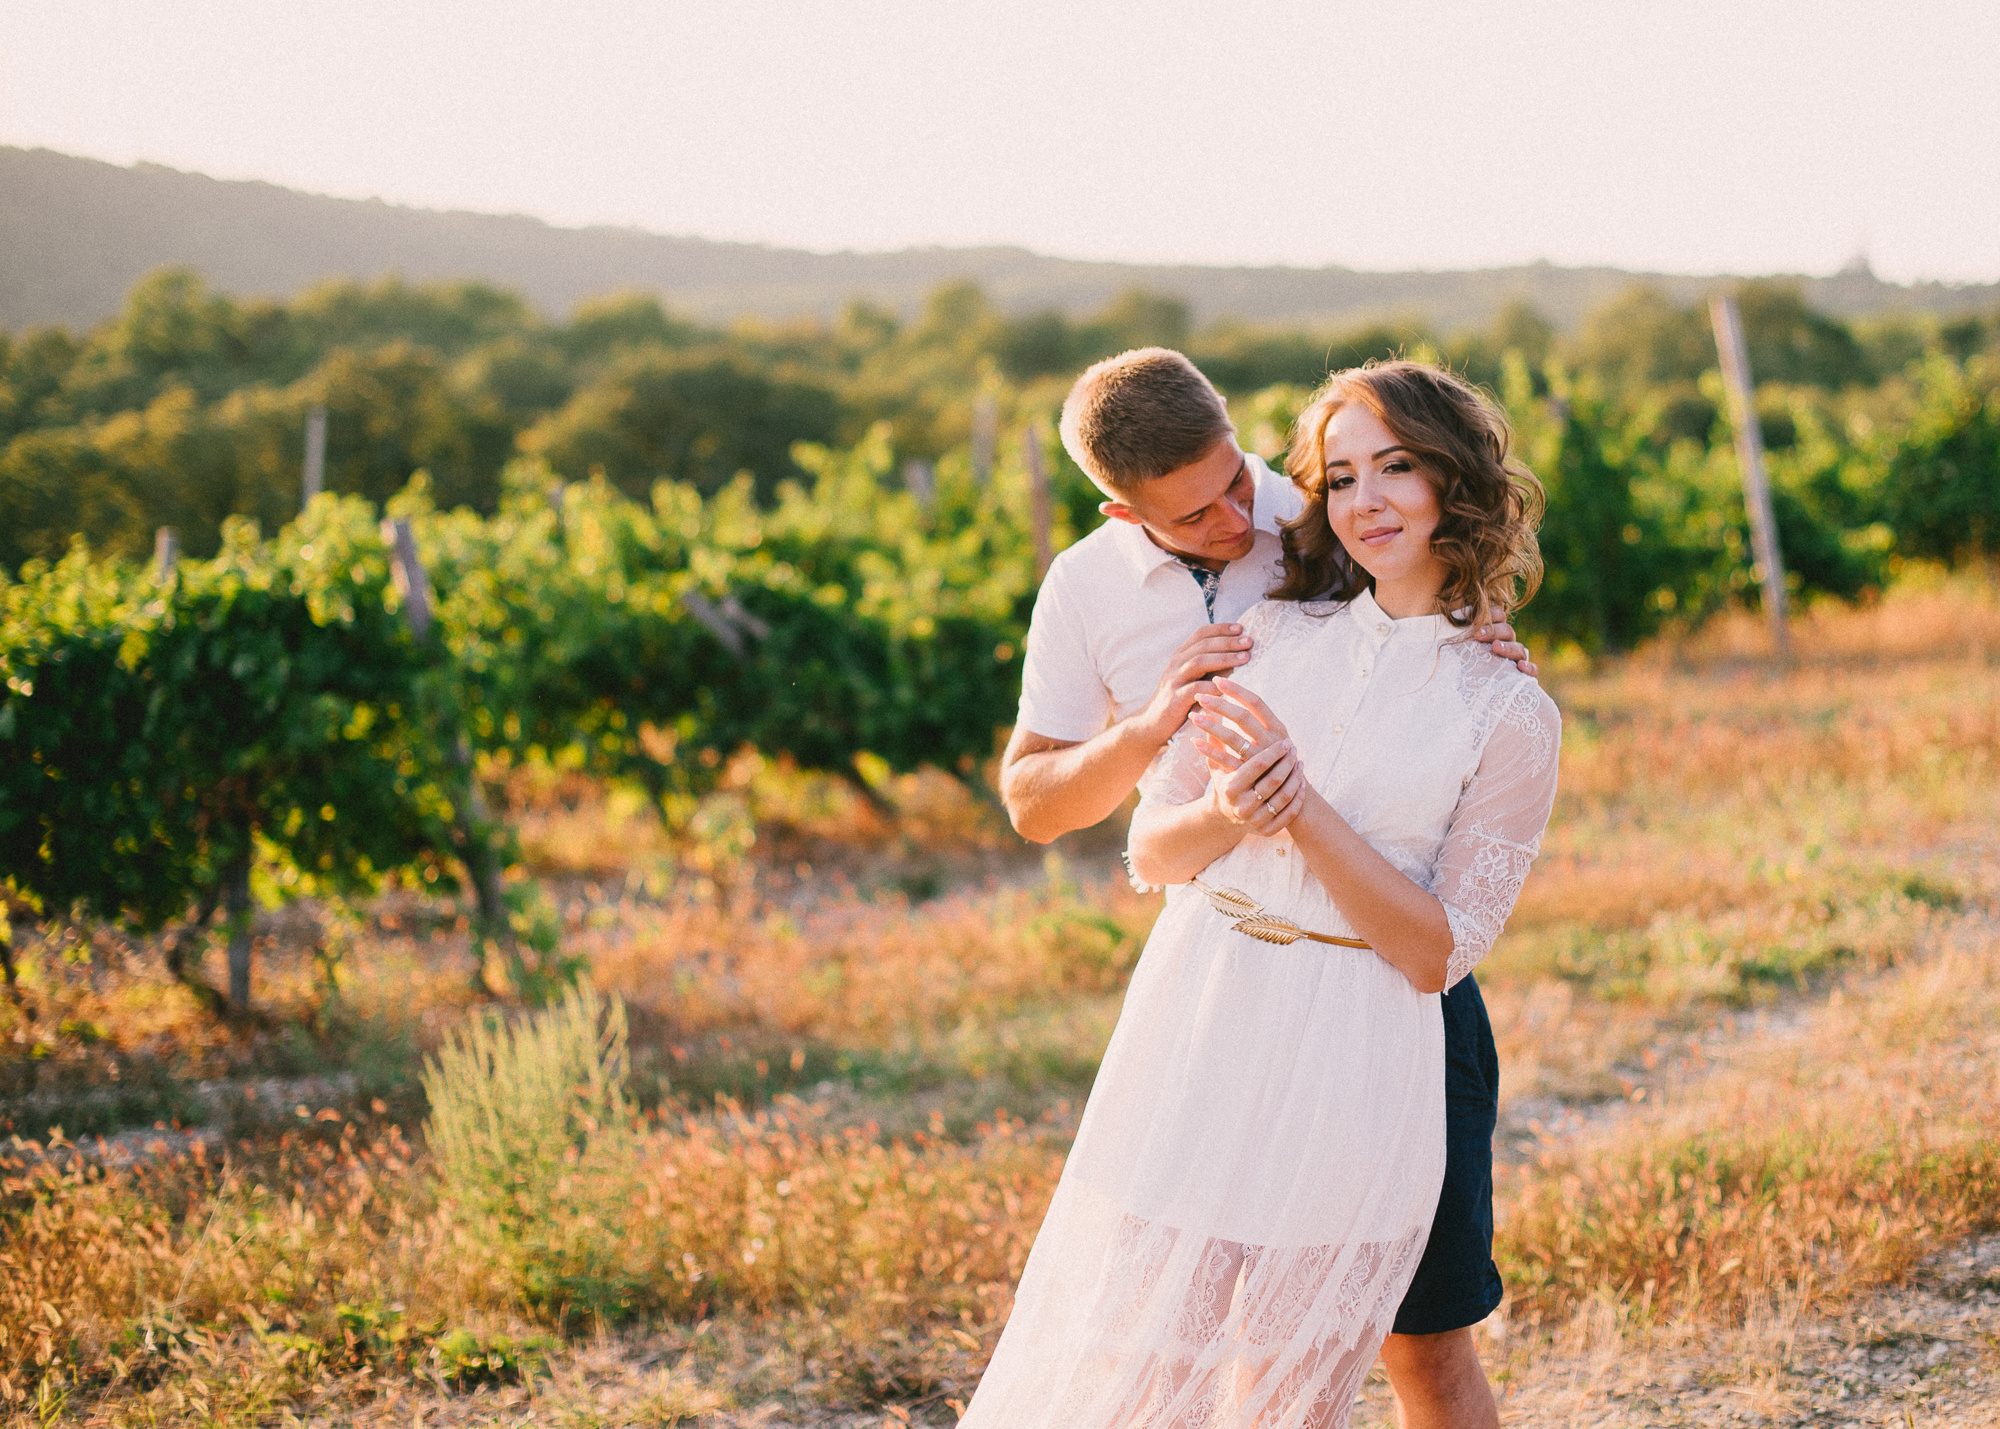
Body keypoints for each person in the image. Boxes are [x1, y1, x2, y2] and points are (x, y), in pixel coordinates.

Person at [964, 360, 1560, 1428]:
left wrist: (1476, 631)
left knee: (1394, 1352)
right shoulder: (1160, 607)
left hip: (1374, 1019)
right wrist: (1159, 737)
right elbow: (1083, 818)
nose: (1245, 517)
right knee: (1154, 1349)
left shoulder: (1348, 550)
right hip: (1213, 995)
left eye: (1246, 481)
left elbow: (1434, 943)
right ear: (1124, 511)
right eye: (1339, 481)